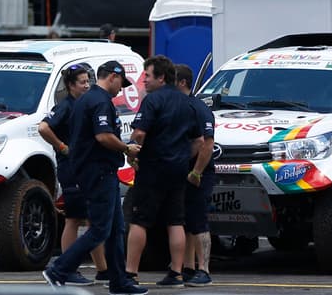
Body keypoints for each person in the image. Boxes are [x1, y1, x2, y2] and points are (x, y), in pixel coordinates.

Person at [43, 61, 146, 295]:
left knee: (115, 229)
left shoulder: (86, 101)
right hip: (98, 172)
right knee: (99, 229)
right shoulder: (99, 101)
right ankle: (59, 269)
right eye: (121, 83)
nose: (121, 89)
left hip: (98, 171)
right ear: (112, 77)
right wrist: (126, 149)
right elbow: (103, 137)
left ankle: (119, 281)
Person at [124, 55, 203, 288]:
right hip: (178, 170)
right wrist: (181, 157)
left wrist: (131, 155)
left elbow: (139, 135)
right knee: (175, 221)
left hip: (152, 168)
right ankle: (176, 274)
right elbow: (199, 141)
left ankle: (130, 273)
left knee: (139, 220)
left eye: (147, 75)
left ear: (161, 77)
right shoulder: (188, 102)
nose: (144, 80)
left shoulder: (152, 100)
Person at [37, 63, 107, 284]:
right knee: (74, 218)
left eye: (89, 81)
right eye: (82, 82)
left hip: (86, 169)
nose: (87, 86)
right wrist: (62, 147)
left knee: (91, 219)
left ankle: (103, 269)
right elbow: (43, 128)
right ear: (70, 85)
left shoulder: (85, 104)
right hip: (72, 170)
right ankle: (66, 270)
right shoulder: (66, 106)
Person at [176, 63, 215, 287]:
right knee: (187, 220)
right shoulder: (179, 106)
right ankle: (188, 267)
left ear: (182, 83)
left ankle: (204, 269)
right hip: (183, 171)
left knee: (198, 221)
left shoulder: (199, 108)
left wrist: (196, 172)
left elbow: (207, 145)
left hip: (198, 173)